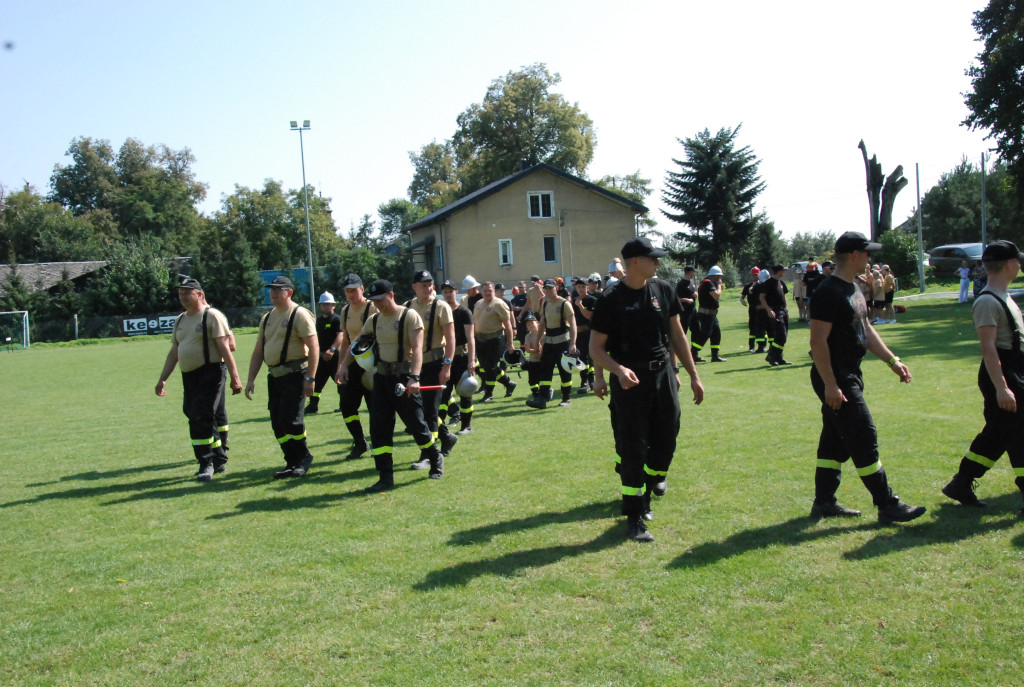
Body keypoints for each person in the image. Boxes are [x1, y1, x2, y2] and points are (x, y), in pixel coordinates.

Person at [590, 236, 704, 542]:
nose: (657, 262)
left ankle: (655, 478)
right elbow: (596, 349)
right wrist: (616, 370)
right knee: (632, 448)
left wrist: (691, 373)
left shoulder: (663, 289)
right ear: (634, 262)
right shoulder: (611, 300)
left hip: (663, 374)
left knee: (667, 437)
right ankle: (635, 516)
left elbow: (677, 334)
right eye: (652, 258)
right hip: (629, 380)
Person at [808, 231, 926, 523]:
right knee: (863, 433)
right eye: (866, 253)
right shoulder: (827, 291)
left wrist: (892, 360)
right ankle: (887, 503)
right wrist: (831, 385)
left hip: (850, 372)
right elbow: (818, 342)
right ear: (853, 255)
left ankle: (824, 501)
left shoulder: (854, 289)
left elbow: (866, 330)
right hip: (835, 375)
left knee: (834, 440)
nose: (870, 258)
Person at [942, 240, 1024, 511]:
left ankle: (961, 482)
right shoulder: (988, 301)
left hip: (1013, 369)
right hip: (1002, 372)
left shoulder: (1004, 296)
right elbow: (989, 348)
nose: (1020, 264)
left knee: (999, 433)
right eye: (1018, 260)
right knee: (1016, 429)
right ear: (1010, 264)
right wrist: (1002, 387)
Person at [356, 279, 443, 492]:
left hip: (404, 379)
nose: (378, 304)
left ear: (391, 295)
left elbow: (417, 349)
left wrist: (415, 377)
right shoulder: (374, 320)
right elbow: (358, 343)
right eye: (374, 300)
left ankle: (435, 456)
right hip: (382, 379)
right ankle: (385, 477)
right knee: (379, 429)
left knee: (416, 426)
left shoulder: (408, 316)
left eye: (381, 299)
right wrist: (344, 365)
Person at [156, 276, 243, 481]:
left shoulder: (211, 316)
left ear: (200, 295)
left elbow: (226, 348)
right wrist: (163, 379)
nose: (183, 297)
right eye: (180, 293)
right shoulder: (180, 319)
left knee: (200, 416)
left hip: (211, 372)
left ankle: (206, 463)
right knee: (192, 411)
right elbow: (174, 352)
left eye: (187, 293)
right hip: (189, 376)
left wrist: (235, 377)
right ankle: (219, 455)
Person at [244, 275, 318, 479]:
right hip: (275, 376)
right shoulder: (267, 318)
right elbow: (258, 351)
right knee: (277, 421)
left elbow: (313, 347)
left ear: (290, 292)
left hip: (295, 374)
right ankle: (291, 460)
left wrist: (310, 378)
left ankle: (303, 457)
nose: (274, 293)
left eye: (279, 289)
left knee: (291, 419)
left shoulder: (299, 314)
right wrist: (250, 379)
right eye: (271, 289)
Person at [404, 270, 458, 470]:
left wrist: (447, 365)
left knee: (429, 410)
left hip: (435, 363)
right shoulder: (408, 306)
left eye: (430, 284)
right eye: (424, 284)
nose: (428, 288)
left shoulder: (440, 306)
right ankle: (446, 436)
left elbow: (451, 338)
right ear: (415, 287)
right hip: (416, 366)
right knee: (419, 410)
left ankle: (428, 454)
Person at [334, 274, 376, 460]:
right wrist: (341, 366)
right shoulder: (345, 311)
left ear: (362, 288)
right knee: (346, 406)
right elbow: (345, 341)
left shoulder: (372, 307)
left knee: (375, 407)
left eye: (353, 290)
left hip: (371, 365)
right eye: (347, 291)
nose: (350, 294)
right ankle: (360, 442)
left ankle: (380, 442)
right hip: (353, 365)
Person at [527, 279, 578, 408]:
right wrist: (538, 339)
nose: (549, 291)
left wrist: (573, 343)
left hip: (562, 341)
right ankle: (542, 399)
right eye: (547, 288)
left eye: (551, 288)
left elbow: (573, 324)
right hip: (549, 341)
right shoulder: (545, 303)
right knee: (545, 370)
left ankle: (566, 398)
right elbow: (542, 323)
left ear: (556, 288)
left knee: (564, 371)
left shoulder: (564, 303)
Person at [438, 280, 477, 435]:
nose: (448, 294)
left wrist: (471, 361)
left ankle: (466, 426)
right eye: (445, 292)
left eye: (451, 291)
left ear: (456, 292)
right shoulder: (439, 311)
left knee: (465, 393)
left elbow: (471, 338)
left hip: (462, 357)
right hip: (445, 358)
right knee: (443, 396)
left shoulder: (464, 312)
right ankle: (439, 430)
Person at [473, 281, 517, 402]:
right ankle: (509, 384)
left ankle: (489, 394)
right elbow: (475, 323)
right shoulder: (478, 303)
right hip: (481, 340)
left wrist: (510, 343)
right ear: (481, 292)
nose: (488, 293)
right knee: (486, 367)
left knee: (490, 367)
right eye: (485, 291)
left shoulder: (499, 304)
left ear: (494, 291)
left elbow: (507, 325)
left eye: (490, 291)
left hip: (496, 339)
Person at [305, 291, 344, 414]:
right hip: (321, 358)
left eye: (328, 304)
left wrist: (332, 349)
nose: (325, 307)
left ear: (333, 305)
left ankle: (344, 405)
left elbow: (340, 335)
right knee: (316, 384)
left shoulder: (337, 319)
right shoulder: (319, 321)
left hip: (334, 357)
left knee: (340, 383)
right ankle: (313, 406)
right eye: (323, 304)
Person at [690, 266, 727, 363]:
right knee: (704, 335)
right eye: (718, 276)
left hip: (712, 314)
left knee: (716, 334)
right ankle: (692, 354)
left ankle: (715, 356)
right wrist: (719, 286)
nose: (720, 279)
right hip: (706, 314)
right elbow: (717, 296)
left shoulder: (708, 282)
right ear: (714, 276)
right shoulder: (708, 283)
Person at [759, 264, 791, 366]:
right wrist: (768, 310)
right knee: (780, 334)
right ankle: (771, 355)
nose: (784, 272)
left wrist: (786, 308)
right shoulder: (768, 283)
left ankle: (779, 357)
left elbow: (784, 296)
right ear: (778, 271)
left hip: (783, 311)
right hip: (775, 311)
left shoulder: (781, 282)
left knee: (784, 335)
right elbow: (762, 297)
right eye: (783, 270)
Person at [571, 277, 596, 393]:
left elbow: (589, 316)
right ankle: (586, 381)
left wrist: (580, 306)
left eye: (583, 286)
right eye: (578, 286)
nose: (580, 289)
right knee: (581, 358)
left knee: (590, 358)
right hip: (578, 334)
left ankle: (589, 381)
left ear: (587, 287)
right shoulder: (573, 300)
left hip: (589, 333)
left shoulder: (591, 300)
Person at [740, 267, 761, 352]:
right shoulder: (747, 286)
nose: (754, 276)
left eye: (755, 275)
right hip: (752, 309)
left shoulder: (762, 285)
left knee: (761, 327)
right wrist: (742, 301)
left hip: (761, 309)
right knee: (752, 327)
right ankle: (751, 346)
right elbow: (742, 297)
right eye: (752, 275)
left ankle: (761, 345)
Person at [675, 266, 698, 336]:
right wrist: (686, 300)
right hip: (685, 311)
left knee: (697, 329)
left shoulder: (692, 281)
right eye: (694, 272)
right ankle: (679, 346)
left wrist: (696, 293)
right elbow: (676, 299)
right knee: (683, 330)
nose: (694, 274)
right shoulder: (680, 284)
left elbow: (695, 290)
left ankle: (693, 347)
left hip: (693, 310)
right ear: (690, 272)